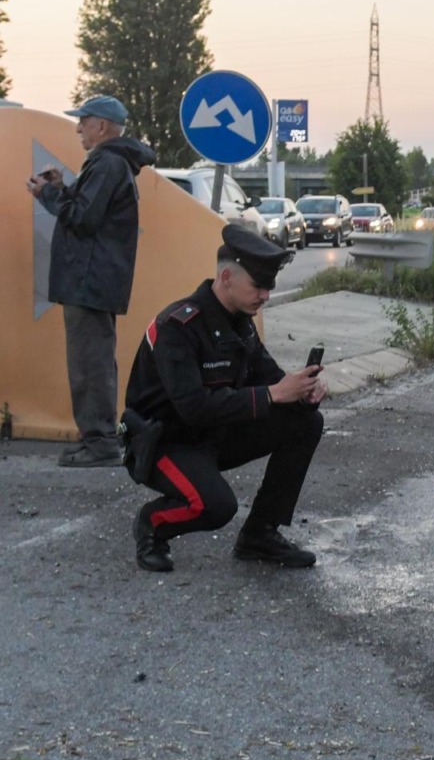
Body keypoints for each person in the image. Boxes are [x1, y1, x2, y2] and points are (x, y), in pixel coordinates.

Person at [123, 226, 327, 572]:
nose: (265, 295)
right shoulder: (177, 326)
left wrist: (302, 392)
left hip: (213, 435)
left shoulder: (241, 323)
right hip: (164, 442)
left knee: (305, 421)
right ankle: (152, 524)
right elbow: (194, 408)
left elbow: (270, 378)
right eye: (258, 286)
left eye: (269, 287)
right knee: (217, 506)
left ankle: (260, 534)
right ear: (227, 277)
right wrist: (273, 394)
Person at [25, 95, 157, 467]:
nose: (78, 128)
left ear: (101, 125)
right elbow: (89, 211)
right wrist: (63, 187)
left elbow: (83, 220)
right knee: (93, 361)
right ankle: (96, 439)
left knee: (90, 364)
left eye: (83, 121)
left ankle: (100, 444)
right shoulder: (112, 163)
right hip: (94, 280)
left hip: (89, 281)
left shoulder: (108, 162)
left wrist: (48, 193)